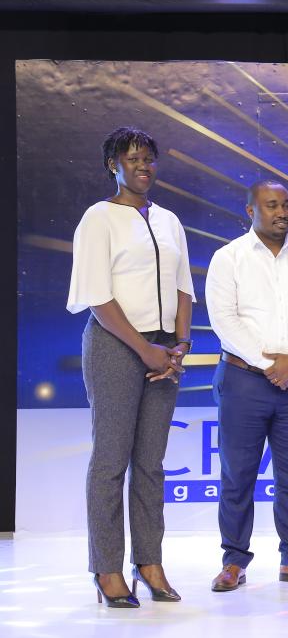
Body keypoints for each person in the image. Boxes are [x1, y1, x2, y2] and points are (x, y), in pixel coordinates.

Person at [67, 126, 195, 608]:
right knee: (110, 461)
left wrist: (179, 345)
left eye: (150, 158)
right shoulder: (97, 220)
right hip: (117, 347)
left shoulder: (169, 220)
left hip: (165, 352)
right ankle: (106, 570)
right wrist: (146, 351)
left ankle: (149, 563)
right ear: (113, 166)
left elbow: (184, 288)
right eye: (133, 158)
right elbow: (98, 297)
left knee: (150, 464)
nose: (144, 165)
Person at [205, 180, 288, 592]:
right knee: (237, 475)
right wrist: (271, 365)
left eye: (286, 205)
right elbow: (224, 320)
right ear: (251, 211)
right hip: (245, 380)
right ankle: (233, 562)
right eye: (271, 205)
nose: (281, 212)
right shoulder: (228, 259)